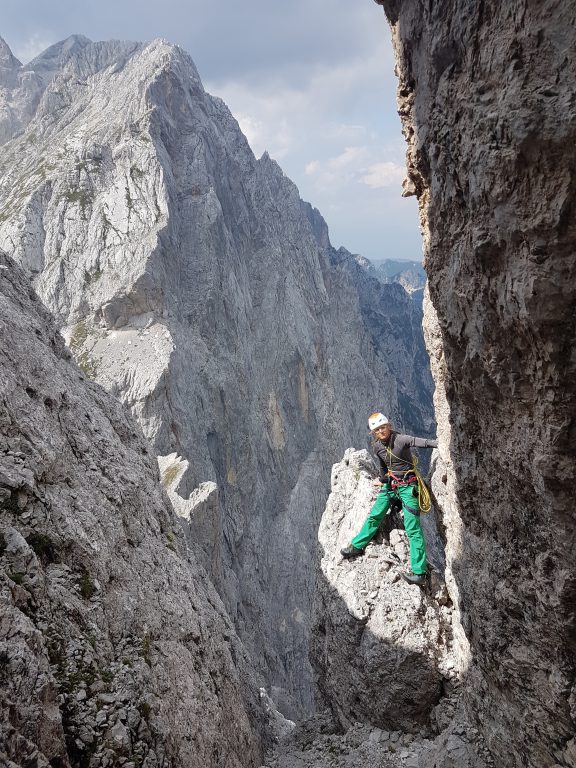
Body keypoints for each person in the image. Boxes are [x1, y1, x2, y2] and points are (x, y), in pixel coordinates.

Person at [341, 411, 437, 586]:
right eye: (377, 430)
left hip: (408, 487)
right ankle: (357, 545)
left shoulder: (401, 439)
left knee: (413, 528)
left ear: (389, 426)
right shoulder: (377, 447)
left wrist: (443, 445)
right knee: (375, 514)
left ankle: (419, 573)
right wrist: (382, 480)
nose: (381, 432)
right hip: (391, 486)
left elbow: (422, 442)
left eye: (383, 427)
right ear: (373, 433)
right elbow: (384, 468)